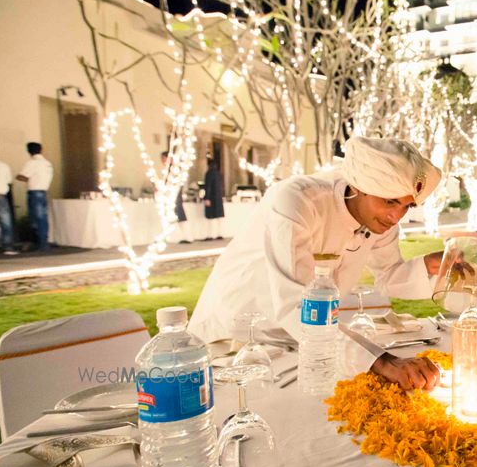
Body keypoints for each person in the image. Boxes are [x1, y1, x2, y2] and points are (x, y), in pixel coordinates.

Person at [189, 137, 444, 391]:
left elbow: (390, 276)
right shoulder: (297, 200)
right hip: (236, 341)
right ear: (361, 186)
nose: (396, 216)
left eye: (407, 206)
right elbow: (295, 305)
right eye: (390, 202)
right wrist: (381, 361)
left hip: (303, 342)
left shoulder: (382, 222)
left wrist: (432, 266)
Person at [16, 142, 53, 251]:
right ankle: (44, 241)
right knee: (43, 218)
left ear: (28, 151)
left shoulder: (32, 163)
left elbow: (21, 176)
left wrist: (21, 177)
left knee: (36, 218)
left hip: (34, 192)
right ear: (41, 150)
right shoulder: (47, 163)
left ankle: (40, 243)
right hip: (44, 192)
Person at [0, 146, 16, 254]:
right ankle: (8, 246)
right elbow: (9, 181)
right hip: (1, 195)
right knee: (5, 222)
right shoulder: (4, 166)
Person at [203, 157, 225, 239]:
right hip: (218, 198)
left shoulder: (209, 174)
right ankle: (220, 234)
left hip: (211, 198)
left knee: (210, 217)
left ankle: (210, 235)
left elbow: (207, 187)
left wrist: (207, 198)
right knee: (219, 217)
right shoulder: (219, 174)